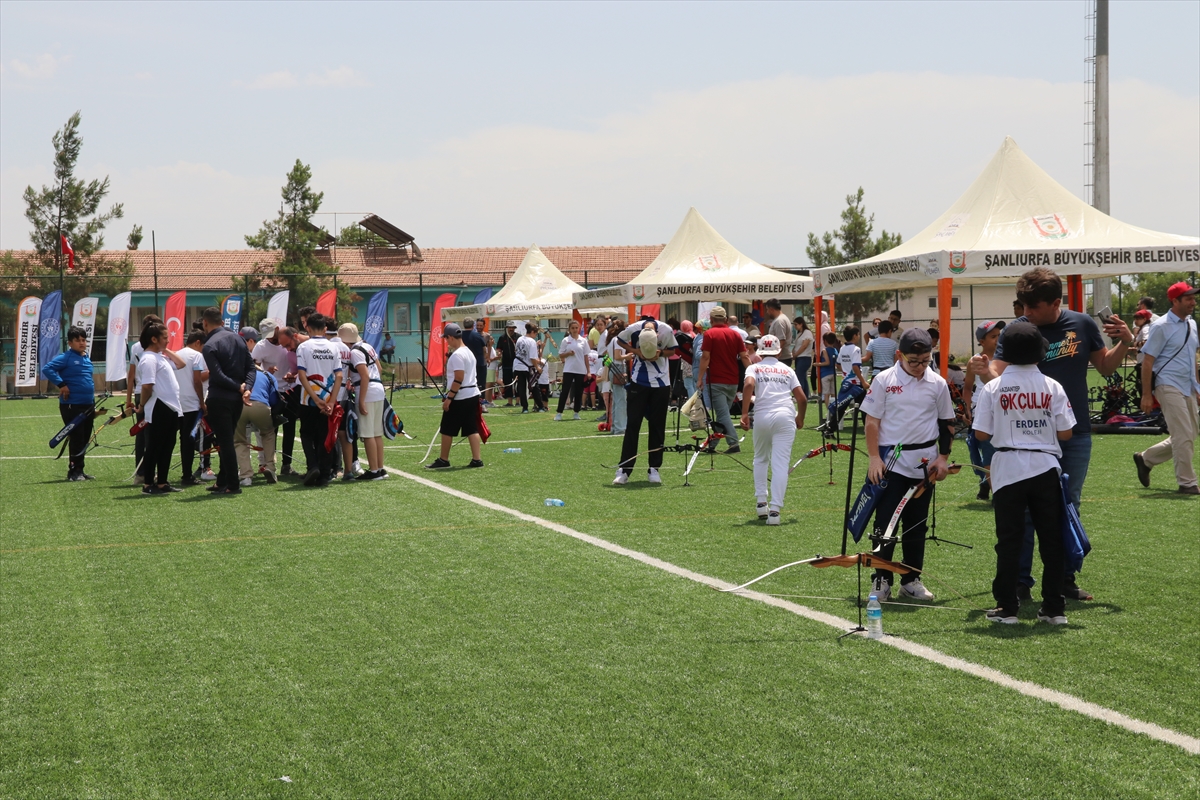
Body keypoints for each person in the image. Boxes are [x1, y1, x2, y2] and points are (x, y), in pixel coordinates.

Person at [971, 267, 1133, 601]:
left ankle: (1063, 580)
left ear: (1056, 302)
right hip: (1026, 437)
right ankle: (1020, 582)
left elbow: (1104, 367)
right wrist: (982, 370)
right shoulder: (1017, 331)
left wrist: (1125, 342)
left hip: (1074, 433)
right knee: (1026, 512)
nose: (1026, 313)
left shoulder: (1082, 324)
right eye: (1023, 306)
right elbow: (995, 379)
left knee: (1067, 505)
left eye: (1033, 307)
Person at [973, 322, 1076, 625]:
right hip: (1045, 466)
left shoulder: (994, 386)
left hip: (1008, 469)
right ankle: (1054, 608)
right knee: (1051, 539)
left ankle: (1007, 608)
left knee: (1009, 540)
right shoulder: (1052, 385)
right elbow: (1067, 433)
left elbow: (980, 433)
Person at [861, 328, 954, 602]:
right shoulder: (883, 380)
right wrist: (874, 457)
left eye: (925, 360)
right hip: (891, 463)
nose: (919, 367)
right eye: (914, 361)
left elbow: (946, 423)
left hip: (924, 466)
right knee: (885, 523)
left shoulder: (937, 383)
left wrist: (943, 458)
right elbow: (872, 422)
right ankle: (881, 579)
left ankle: (911, 579)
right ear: (900, 355)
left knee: (917, 524)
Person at [1134, 282, 1199, 495]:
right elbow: (1147, 361)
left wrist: (1197, 387)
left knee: (1190, 432)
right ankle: (1187, 483)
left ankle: (1146, 459)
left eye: (1193, 297)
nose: (1193, 301)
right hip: (1167, 384)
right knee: (1183, 434)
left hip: (1188, 386)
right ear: (1175, 301)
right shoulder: (1161, 326)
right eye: (1188, 298)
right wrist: (1146, 395)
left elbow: (1193, 359)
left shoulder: (1192, 324)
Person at [741, 335, 807, 525]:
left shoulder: (753, 367)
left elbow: (748, 385)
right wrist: (800, 418)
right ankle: (775, 512)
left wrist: (745, 413)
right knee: (780, 464)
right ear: (778, 351)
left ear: (759, 350)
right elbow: (801, 398)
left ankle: (761, 503)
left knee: (760, 459)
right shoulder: (787, 370)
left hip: (761, 416)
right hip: (785, 416)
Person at [612, 316, 677, 485]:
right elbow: (619, 340)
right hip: (638, 382)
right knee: (632, 424)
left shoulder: (666, 330)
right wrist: (636, 351)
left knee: (657, 426)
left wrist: (661, 353)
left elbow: (673, 350)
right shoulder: (633, 329)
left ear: (657, 333)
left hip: (662, 383)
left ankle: (654, 468)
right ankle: (624, 470)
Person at [199, 307, 257, 494]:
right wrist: (246, 388)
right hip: (237, 400)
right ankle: (223, 481)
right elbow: (251, 368)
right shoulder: (239, 339)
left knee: (225, 442)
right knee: (227, 439)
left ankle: (233, 484)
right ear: (222, 321)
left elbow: (217, 374)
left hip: (220, 397)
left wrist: (240, 387)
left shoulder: (209, 345)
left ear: (205, 323)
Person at [41, 325, 96, 481]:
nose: (81, 343)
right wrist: (62, 385)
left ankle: (80, 469)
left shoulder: (86, 357)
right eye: (77, 340)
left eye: (84, 340)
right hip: (72, 405)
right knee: (77, 437)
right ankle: (73, 471)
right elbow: (47, 369)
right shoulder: (66, 357)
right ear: (70, 343)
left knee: (85, 438)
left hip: (88, 405)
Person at [295, 313, 343, 487]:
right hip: (329, 397)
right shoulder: (333, 347)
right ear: (325, 329)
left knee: (306, 434)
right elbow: (339, 375)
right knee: (325, 436)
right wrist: (331, 401)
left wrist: (314, 397)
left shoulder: (304, 347)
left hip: (309, 399)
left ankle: (312, 466)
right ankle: (324, 474)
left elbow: (302, 374)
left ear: (307, 327)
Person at [426, 323, 484, 469]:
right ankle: (477, 459)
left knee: (447, 428)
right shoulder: (468, 352)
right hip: (472, 394)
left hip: (461, 396)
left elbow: (459, 378)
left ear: (451, 337)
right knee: (471, 428)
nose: (446, 342)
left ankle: (444, 459)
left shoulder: (457, 355)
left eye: (446, 339)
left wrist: (449, 398)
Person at [137, 322, 184, 495]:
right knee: (155, 447)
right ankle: (148, 484)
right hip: (159, 406)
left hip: (170, 407)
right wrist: (141, 406)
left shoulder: (160, 357)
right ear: (154, 339)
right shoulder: (149, 358)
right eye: (165, 338)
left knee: (167, 446)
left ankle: (162, 482)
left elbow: (181, 364)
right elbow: (147, 386)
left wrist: (164, 349)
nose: (168, 341)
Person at [695, 307, 750, 454]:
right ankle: (712, 443)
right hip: (733, 380)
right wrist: (753, 373)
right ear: (725, 320)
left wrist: (700, 378)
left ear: (711, 320)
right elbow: (744, 356)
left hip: (716, 380)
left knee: (723, 414)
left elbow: (705, 357)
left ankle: (733, 443)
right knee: (722, 414)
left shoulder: (709, 334)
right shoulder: (735, 334)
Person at [961, 320, 1004, 501]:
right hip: (983, 410)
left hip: (1003, 410)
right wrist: (967, 409)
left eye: (999, 336)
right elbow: (968, 387)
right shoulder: (975, 360)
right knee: (986, 451)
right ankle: (994, 491)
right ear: (981, 341)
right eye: (993, 336)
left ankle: (988, 485)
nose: (997, 340)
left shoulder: (1006, 359)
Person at [341, 323, 388, 481]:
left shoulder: (354, 352)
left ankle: (374, 471)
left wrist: (361, 401)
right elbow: (379, 369)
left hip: (366, 391)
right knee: (376, 433)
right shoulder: (367, 347)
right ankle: (380, 469)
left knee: (368, 434)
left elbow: (365, 375)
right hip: (378, 389)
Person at [175, 331, 210, 486]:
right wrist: (202, 402)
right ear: (197, 343)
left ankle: (160, 477)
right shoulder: (196, 356)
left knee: (174, 440)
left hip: (175, 404)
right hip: (190, 404)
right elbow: (197, 380)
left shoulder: (175, 354)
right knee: (188, 441)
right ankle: (187, 476)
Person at [236, 361, 279, 487]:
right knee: (268, 433)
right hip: (261, 405)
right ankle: (270, 467)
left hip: (240, 406)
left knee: (239, 441)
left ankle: (245, 475)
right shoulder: (267, 375)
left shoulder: (237, 374)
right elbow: (274, 399)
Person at [274, 325, 306, 476]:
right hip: (295, 391)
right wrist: (291, 375)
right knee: (286, 423)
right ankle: (282, 465)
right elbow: (297, 372)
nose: (287, 349)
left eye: (288, 345)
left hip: (313, 392)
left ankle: (329, 466)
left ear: (295, 336)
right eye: (284, 346)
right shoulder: (290, 354)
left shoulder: (308, 346)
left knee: (309, 430)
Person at [556, 319, 588, 420]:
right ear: (569, 329)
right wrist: (568, 353)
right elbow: (561, 354)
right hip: (569, 369)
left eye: (576, 328)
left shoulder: (583, 340)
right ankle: (559, 413)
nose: (574, 330)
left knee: (579, 391)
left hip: (580, 369)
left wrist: (589, 371)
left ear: (578, 329)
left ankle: (576, 412)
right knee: (565, 391)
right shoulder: (566, 340)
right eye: (572, 328)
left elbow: (586, 356)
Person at [604, 321, 631, 436]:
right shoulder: (619, 340)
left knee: (616, 399)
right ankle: (620, 428)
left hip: (613, 368)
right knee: (621, 400)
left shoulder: (612, 340)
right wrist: (629, 356)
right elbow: (618, 356)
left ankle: (615, 427)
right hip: (619, 367)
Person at [513, 322, 541, 413]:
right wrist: (537, 368)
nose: (535, 336)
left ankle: (524, 408)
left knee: (521, 388)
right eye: (535, 334)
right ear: (532, 332)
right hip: (526, 367)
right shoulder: (532, 341)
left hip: (517, 365)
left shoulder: (520, 338)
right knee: (533, 386)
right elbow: (532, 358)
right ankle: (540, 406)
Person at [461, 318, 488, 409]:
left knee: (466, 383)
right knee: (481, 383)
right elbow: (484, 348)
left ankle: (466, 403)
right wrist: (485, 358)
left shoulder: (460, 335)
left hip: (465, 364)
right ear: (473, 326)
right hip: (479, 363)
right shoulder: (477, 335)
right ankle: (481, 404)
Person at [763, 299, 792, 368]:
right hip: (781, 358)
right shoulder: (782, 318)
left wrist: (774, 355)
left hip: (781, 358)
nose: (767, 312)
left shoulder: (779, 321)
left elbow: (781, 341)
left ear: (772, 309)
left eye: (767, 310)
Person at [790, 317, 814, 400]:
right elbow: (797, 345)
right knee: (803, 377)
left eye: (796, 324)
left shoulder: (807, 333)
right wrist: (793, 352)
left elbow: (804, 346)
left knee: (799, 376)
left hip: (804, 357)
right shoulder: (799, 333)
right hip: (799, 358)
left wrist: (796, 354)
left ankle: (800, 395)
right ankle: (805, 395)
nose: (795, 326)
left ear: (801, 324)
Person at [497, 321, 518, 406]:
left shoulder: (518, 337)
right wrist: (499, 353)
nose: (511, 329)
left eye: (513, 327)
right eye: (510, 327)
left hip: (517, 364)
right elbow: (499, 349)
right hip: (506, 364)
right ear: (507, 328)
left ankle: (518, 401)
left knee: (517, 383)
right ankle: (509, 401)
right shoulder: (502, 338)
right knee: (507, 383)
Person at [817, 331, 839, 406]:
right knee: (833, 393)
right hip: (833, 373)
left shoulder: (824, 350)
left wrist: (817, 364)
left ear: (825, 341)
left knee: (826, 394)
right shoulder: (835, 350)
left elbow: (827, 362)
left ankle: (829, 411)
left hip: (825, 374)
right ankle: (835, 409)